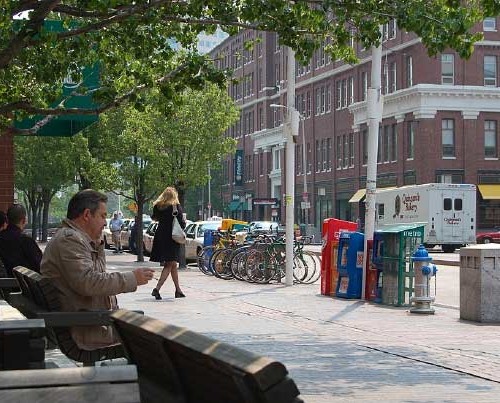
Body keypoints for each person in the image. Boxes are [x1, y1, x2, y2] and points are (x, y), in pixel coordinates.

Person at [40, 190, 155, 350]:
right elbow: (88, 282)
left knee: (151, 333)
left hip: (88, 322)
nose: (105, 223)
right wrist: (132, 278)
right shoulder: (70, 240)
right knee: (154, 339)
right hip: (86, 328)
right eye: (102, 216)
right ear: (87, 215)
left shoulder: (78, 239)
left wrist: (97, 244)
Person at [150, 186, 186, 300]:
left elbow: (154, 218)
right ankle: (157, 289)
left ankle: (178, 290)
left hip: (160, 236)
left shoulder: (158, 206)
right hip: (172, 237)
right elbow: (182, 223)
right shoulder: (175, 206)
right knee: (169, 264)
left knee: (173, 263)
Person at [0, 204, 43, 276]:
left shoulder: (1, 238)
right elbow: (41, 266)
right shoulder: (26, 241)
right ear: (23, 220)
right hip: (22, 284)